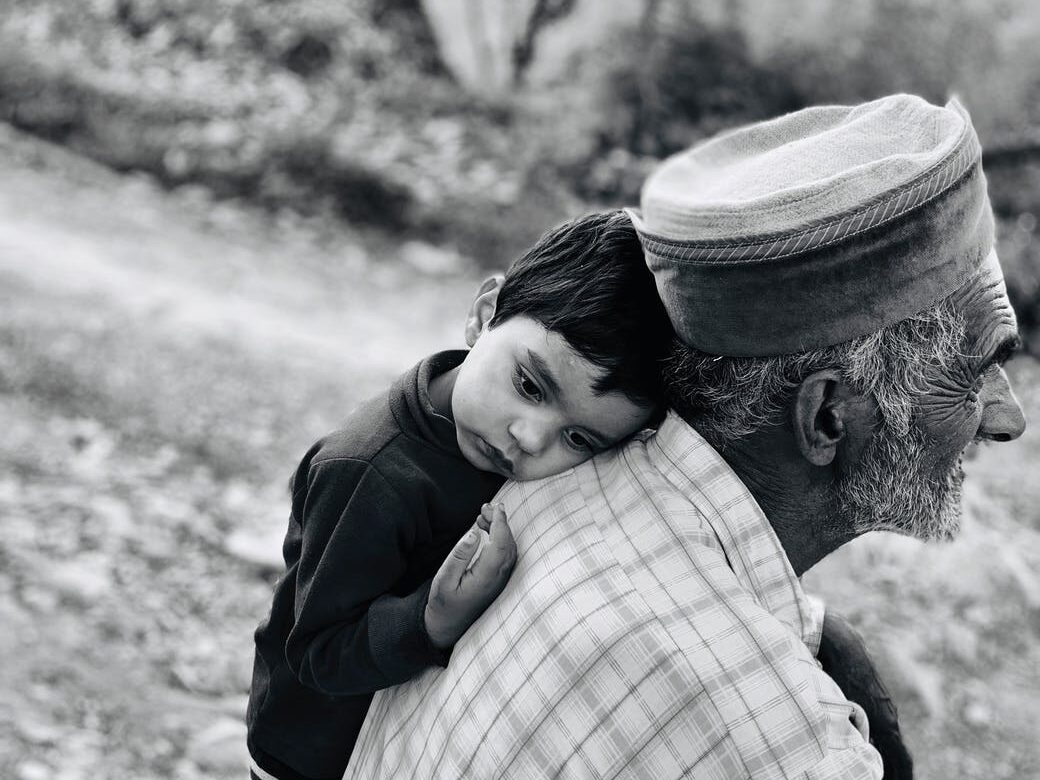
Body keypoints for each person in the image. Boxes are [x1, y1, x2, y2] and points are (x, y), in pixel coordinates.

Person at [344, 94, 1026, 779]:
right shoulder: (800, 755)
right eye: (980, 371)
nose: (1008, 419)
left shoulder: (565, 477)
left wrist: (824, 637)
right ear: (826, 417)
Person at [246, 210, 677, 780]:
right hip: (310, 752)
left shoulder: (515, 447)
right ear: (483, 315)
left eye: (578, 438)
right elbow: (313, 654)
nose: (529, 437)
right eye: (529, 385)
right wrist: (430, 621)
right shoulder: (368, 472)